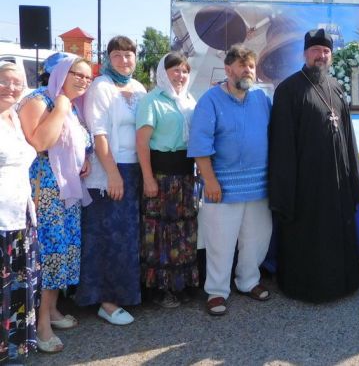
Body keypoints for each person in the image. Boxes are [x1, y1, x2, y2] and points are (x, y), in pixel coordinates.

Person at [268, 28, 359, 303]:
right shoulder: (288, 90)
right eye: (315, 51)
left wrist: (353, 180)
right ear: (305, 54)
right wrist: (285, 191)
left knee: (335, 232)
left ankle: (341, 283)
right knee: (308, 235)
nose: (320, 56)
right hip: (305, 183)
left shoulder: (336, 87)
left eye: (325, 51)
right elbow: (282, 144)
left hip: (336, 181)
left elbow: (348, 136)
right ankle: (305, 287)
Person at [187, 45, 273, 316]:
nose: (248, 70)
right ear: (228, 69)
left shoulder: (262, 98)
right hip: (221, 186)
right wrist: (210, 181)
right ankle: (216, 291)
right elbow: (200, 145)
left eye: (251, 65)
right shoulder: (210, 100)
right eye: (242, 65)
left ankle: (249, 281)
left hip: (259, 185)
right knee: (220, 241)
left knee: (257, 239)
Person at [18, 55, 93, 354]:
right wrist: (61, 106)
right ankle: (41, 322)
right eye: (78, 74)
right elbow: (40, 143)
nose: (83, 81)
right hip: (45, 187)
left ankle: (52, 309)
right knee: (48, 252)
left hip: (66, 187)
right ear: (61, 72)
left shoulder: (73, 106)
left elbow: (76, 142)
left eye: (88, 78)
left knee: (63, 251)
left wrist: (84, 158)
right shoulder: (41, 100)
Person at [74, 36, 146, 325]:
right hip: (109, 173)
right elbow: (99, 134)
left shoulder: (139, 88)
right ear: (108, 58)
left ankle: (125, 294)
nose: (124, 60)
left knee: (128, 237)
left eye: (129, 55)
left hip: (135, 169)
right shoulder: (100, 87)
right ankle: (106, 301)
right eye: (117, 55)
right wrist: (113, 173)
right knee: (108, 237)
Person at [136, 52, 198, 309]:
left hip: (185, 177)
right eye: (175, 70)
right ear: (164, 72)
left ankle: (180, 284)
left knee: (183, 231)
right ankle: (159, 288)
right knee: (159, 232)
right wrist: (148, 178)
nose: (180, 75)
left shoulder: (189, 100)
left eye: (184, 70)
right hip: (161, 176)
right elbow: (141, 144)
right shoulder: (151, 100)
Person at [0, 61, 40, 362]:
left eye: (16, 82)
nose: (11, 88)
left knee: (18, 284)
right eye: (4, 81)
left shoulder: (14, 116)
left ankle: (14, 348)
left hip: (21, 214)